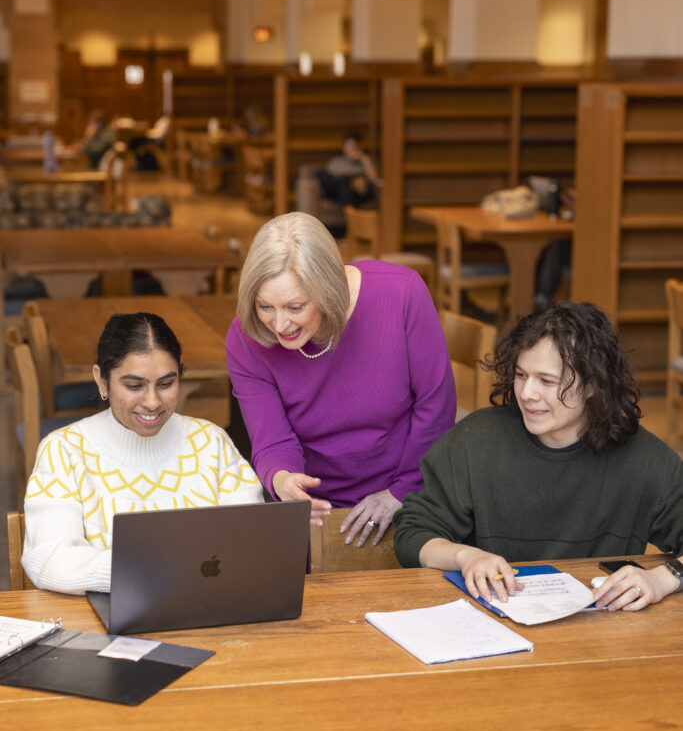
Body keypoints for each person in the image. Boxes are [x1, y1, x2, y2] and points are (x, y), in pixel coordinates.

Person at [394, 301, 683, 611]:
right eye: (521, 375)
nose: (528, 393)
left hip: (601, 634)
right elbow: (414, 533)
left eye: (547, 381)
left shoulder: (646, 461)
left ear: (593, 385)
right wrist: (465, 556)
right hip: (492, 622)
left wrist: (662, 579)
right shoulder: (474, 441)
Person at [225, 211, 456, 548]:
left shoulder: (401, 293)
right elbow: (271, 439)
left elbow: (436, 405)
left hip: (410, 490)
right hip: (316, 506)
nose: (279, 324)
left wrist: (402, 491)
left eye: (294, 307)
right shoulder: (247, 338)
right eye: (265, 306)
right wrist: (283, 480)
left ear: (328, 289)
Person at [23, 312, 262, 594]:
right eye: (134, 386)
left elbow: (252, 543)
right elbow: (51, 559)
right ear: (101, 380)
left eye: (166, 384)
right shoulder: (64, 450)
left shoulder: (212, 443)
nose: (152, 402)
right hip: (108, 629)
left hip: (205, 615)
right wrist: (158, 571)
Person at [316, 131, 379, 212]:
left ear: (359, 147)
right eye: (347, 146)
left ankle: (346, 181)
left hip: (355, 193)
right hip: (335, 192)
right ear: (343, 147)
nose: (350, 149)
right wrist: (347, 180)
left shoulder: (365, 161)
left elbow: (374, 179)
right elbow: (327, 180)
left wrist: (363, 158)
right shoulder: (336, 161)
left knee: (344, 190)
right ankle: (346, 180)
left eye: (353, 146)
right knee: (319, 172)